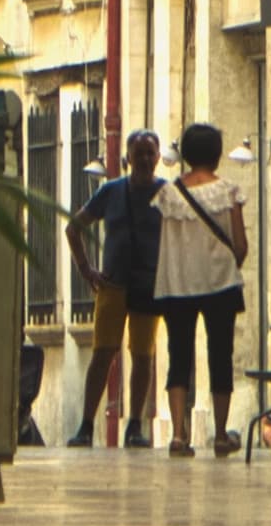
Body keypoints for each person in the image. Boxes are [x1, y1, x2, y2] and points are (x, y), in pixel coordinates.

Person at [153, 120, 251, 458]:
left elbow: (161, 242)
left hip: (177, 283)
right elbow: (240, 244)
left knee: (178, 358)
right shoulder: (228, 192)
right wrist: (226, 263)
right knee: (220, 356)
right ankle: (221, 434)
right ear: (217, 155)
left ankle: (179, 435)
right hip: (220, 284)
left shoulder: (168, 194)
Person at [64, 130, 168, 448]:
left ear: (159, 157)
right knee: (102, 354)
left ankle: (135, 425)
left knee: (142, 355)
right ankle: (85, 426)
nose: (145, 159)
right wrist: (85, 269)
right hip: (112, 285)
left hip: (149, 285)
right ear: (127, 157)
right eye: (139, 153)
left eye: (150, 153)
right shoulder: (111, 192)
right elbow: (74, 227)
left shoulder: (168, 194)